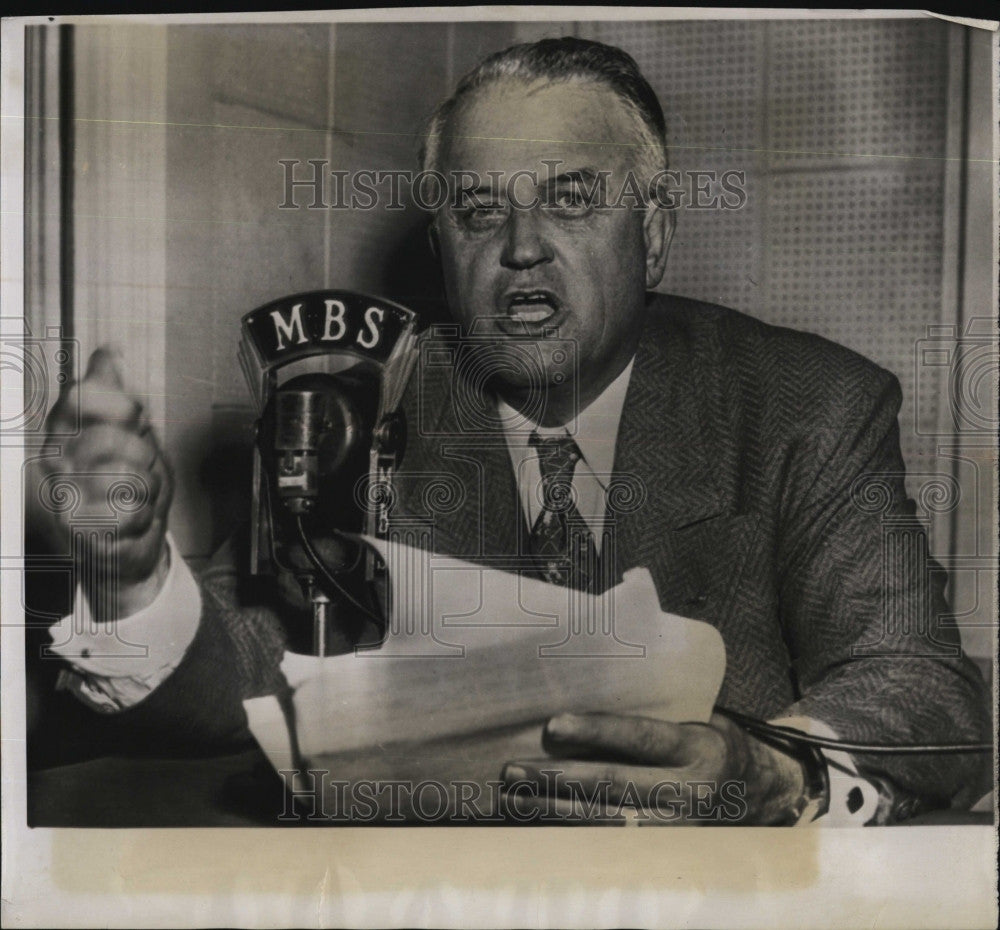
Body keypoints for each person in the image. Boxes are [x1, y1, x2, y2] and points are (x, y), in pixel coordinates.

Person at [27, 37, 990, 825]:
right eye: (479, 210)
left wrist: (775, 775)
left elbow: (915, 687)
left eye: (571, 199)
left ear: (652, 233)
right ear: (443, 244)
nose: (521, 246)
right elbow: (240, 668)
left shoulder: (805, 405)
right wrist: (127, 574)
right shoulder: (363, 408)